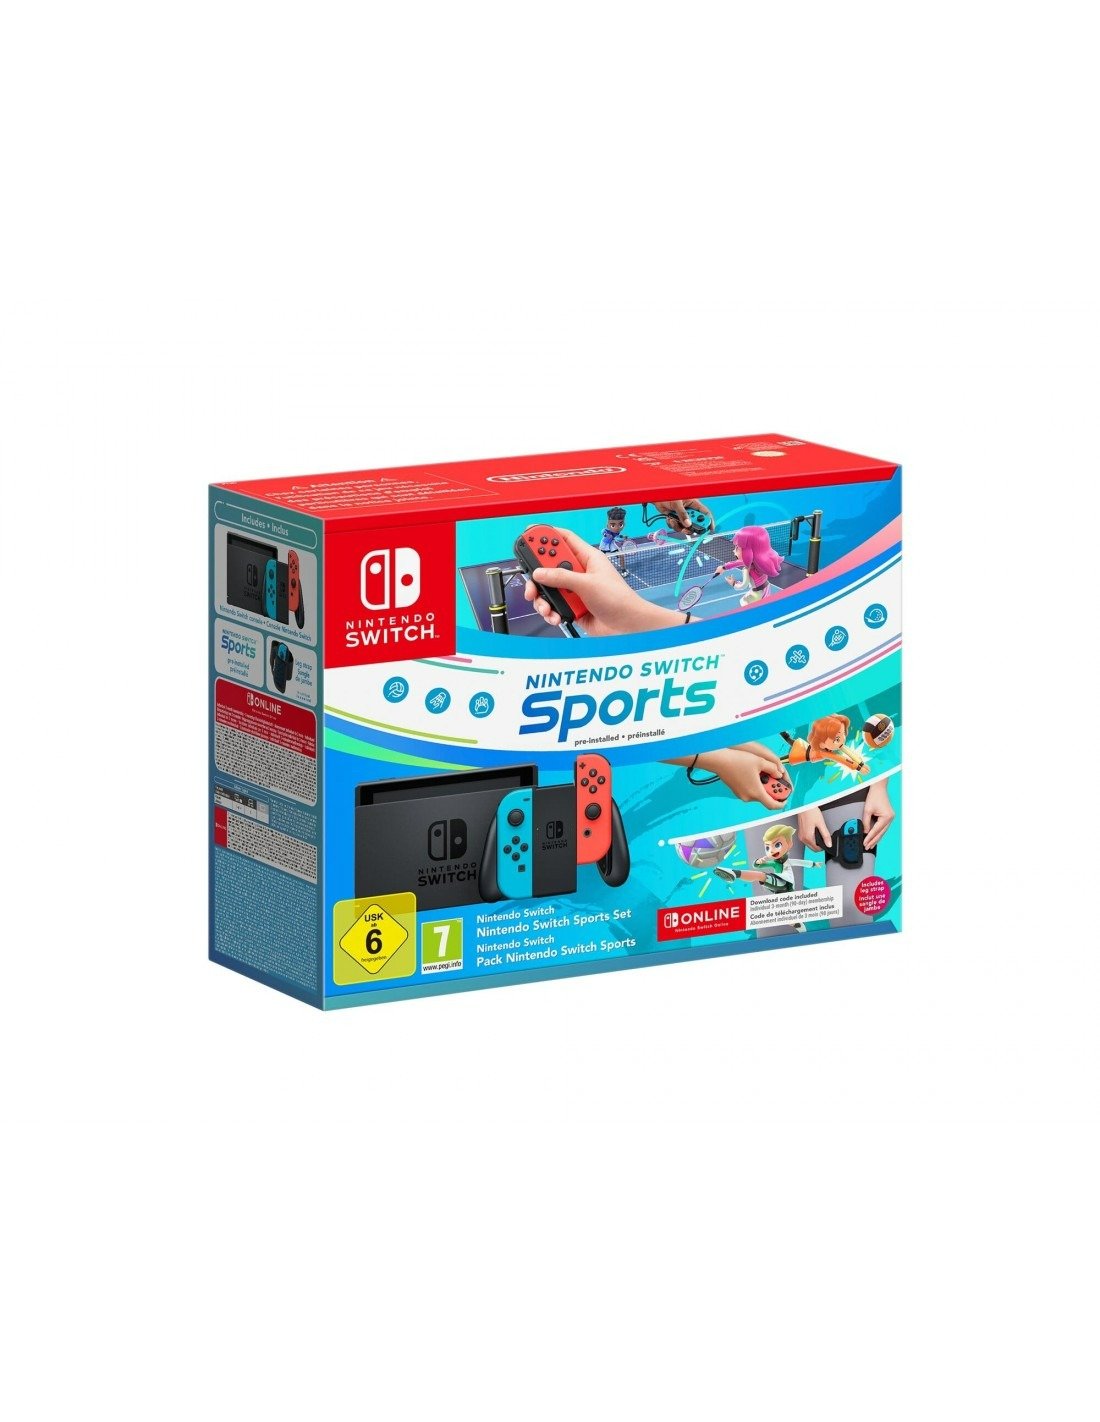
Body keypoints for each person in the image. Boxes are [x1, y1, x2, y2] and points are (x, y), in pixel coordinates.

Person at [719, 525, 783, 605]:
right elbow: (739, 562)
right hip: (767, 588)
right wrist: (724, 567)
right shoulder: (763, 561)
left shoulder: (746, 569)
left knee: (743, 602)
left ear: (747, 550)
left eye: (737, 547)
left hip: (756, 594)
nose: (734, 550)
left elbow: (743, 586)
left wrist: (733, 583)